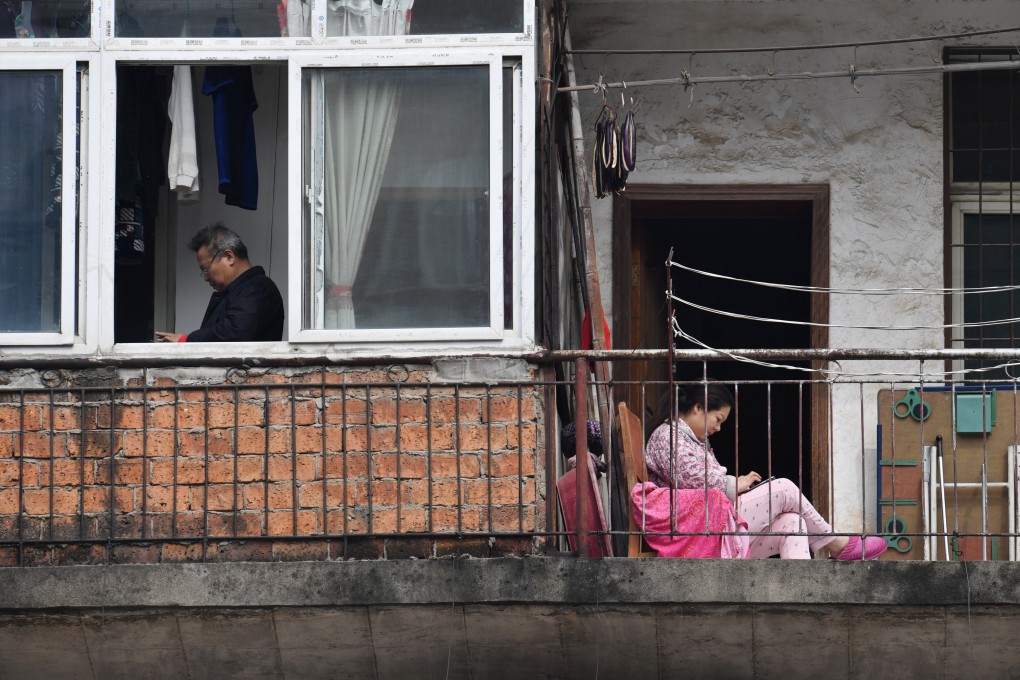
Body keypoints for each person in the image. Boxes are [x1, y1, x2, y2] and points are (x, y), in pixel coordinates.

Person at [644, 383, 888, 561]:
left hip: (710, 529)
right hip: (694, 532)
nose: (718, 428)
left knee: (794, 523)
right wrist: (734, 483)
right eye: (718, 419)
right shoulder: (667, 436)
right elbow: (693, 481)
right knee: (783, 488)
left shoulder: (691, 440)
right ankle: (837, 544)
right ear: (698, 408)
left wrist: (733, 483)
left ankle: (802, 594)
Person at [155, 223, 284, 343]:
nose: (205, 278)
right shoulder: (238, 291)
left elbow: (233, 332)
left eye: (205, 269)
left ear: (229, 257)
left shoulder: (258, 288)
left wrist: (187, 340)